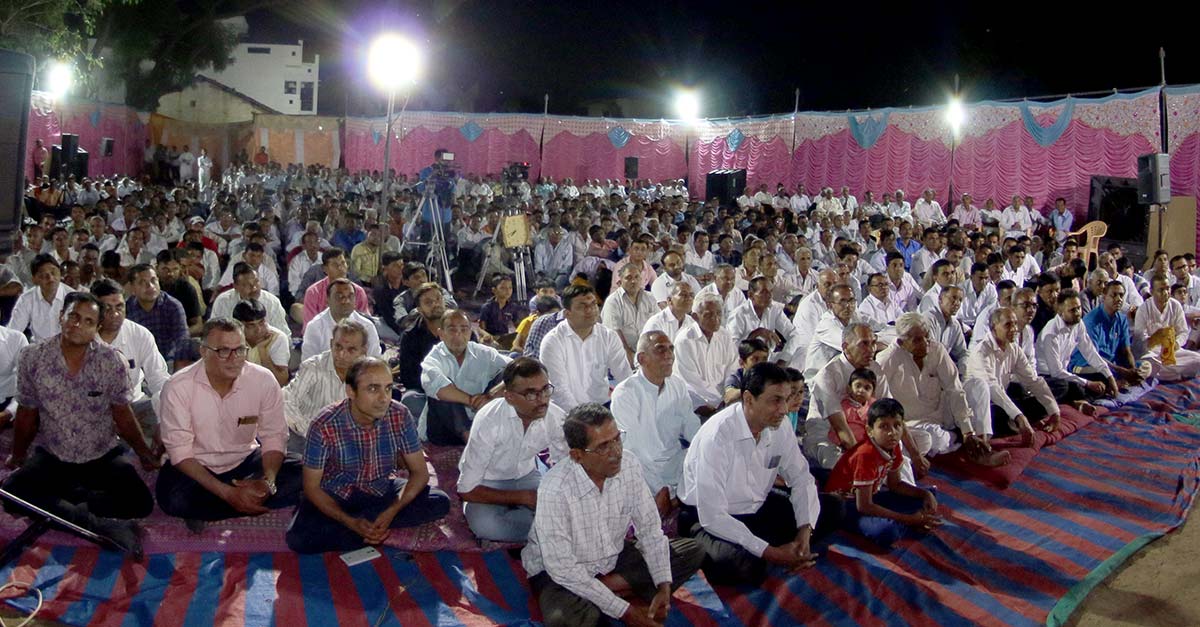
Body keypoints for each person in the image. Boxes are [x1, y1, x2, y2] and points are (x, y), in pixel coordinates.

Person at [2, 292, 160, 557]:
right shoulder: (32, 357)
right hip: (54, 454)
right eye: (73, 316)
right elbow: (27, 413)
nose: (78, 325)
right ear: (61, 317)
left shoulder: (111, 361)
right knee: (11, 494)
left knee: (140, 503)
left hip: (101, 453)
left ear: (97, 327)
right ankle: (92, 522)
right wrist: (18, 455)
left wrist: (143, 453)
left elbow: (122, 415)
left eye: (88, 321)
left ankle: (65, 504)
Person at [522, 403, 703, 627]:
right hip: (559, 574)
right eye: (603, 447)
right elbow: (562, 568)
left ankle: (599, 593)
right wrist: (627, 613)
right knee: (564, 621)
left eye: (617, 439)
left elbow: (649, 530)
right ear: (577, 455)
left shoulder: (629, 464)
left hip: (612, 556)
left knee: (692, 550)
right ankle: (609, 593)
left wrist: (664, 586)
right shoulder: (554, 489)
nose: (616, 452)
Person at [679, 362, 833, 586]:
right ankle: (770, 550)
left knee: (832, 508)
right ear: (749, 399)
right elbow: (712, 515)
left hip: (756, 508)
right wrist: (771, 553)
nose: (784, 409)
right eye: (775, 400)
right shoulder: (717, 436)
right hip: (707, 518)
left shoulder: (780, 425)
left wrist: (804, 534)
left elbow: (801, 477)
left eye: (786, 399)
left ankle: (788, 548)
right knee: (741, 566)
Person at [285, 356, 451, 553]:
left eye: (388, 388)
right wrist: (350, 521)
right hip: (336, 494)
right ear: (350, 391)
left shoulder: (399, 414)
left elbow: (420, 473)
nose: (384, 398)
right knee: (298, 538)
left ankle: (366, 528)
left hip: (380, 489)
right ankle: (365, 528)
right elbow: (312, 487)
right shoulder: (324, 424)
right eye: (373, 389)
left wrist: (391, 511)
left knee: (439, 501)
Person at [156, 318, 304, 530]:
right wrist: (228, 493)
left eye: (240, 350)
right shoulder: (178, 387)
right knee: (172, 498)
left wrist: (268, 482)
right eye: (224, 351)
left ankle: (213, 508)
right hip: (198, 467)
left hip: (245, 461)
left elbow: (274, 437)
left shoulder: (263, 380)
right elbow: (180, 453)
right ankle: (239, 501)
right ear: (204, 352)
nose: (234, 359)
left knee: (303, 473)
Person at [458, 357, 568, 542]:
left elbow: (567, 465)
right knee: (485, 525)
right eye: (531, 394)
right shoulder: (489, 420)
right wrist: (524, 498)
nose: (542, 400)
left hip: (527, 476)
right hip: (486, 482)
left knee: (566, 509)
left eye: (545, 390)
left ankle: (532, 526)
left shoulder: (555, 417)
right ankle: (539, 528)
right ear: (509, 397)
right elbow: (466, 489)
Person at [878, 313, 999, 463]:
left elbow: (954, 389)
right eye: (917, 340)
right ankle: (958, 440)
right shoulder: (887, 359)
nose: (925, 343)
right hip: (914, 425)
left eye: (926, 336)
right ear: (902, 342)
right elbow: (879, 403)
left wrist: (967, 430)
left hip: (942, 415)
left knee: (977, 385)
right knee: (932, 439)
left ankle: (981, 444)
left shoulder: (936, 350)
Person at [824, 398, 942, 549]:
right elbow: (864, 506)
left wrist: (925, 494)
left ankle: (907, 521)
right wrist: (908, 519)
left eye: (897, 425)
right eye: (884, 426)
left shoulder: (893, 446)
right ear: (870, 430)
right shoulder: (865, 455)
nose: (892, 433)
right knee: (887, 532)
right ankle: (906, 523)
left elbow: (895, 485)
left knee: (929, 495)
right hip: (845, 504)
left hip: (870, 496)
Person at [611, 331, 701, 517]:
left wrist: (707, 453)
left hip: (676, 464)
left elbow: (692, 428)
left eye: (671, 349)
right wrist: (660, 488)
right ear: (642, 358)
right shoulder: (625, 393)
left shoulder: (677, 385)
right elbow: (633, 450)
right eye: (660, 349)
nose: (669, 355)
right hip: (644, 473)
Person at [964, 308, 1061, 447]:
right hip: (981, 408)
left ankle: (1016, 422)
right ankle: (991, 436)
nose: (1014, 329)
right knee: (1003, 414)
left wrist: (1055, 412)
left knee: (1050, 390)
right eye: (1008, 325)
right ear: (993, 327)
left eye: (1015, 324)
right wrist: (1019, 417)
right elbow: (993, 389)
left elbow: (1032, 380)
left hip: (1001, 401)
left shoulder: (1014, 349)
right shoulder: (981, 352)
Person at [90, 278, 171, 443]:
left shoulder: (139, 334)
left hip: (135, 405)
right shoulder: (83, 337)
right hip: (93, 410)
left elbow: (159, 379)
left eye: (120, 307)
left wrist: (164, 419)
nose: (115, 314)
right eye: (107, 308)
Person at [420, 310, 511, 445]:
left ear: (470, 332)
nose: (458, 334)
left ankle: (486, 434)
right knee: (442, 391)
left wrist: (491, 395)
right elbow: (439, 388)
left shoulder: (482, 352)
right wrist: (472, 401)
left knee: (509, 375)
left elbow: (520, 368)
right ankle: (472, 441)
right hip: (444, 430)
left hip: (480, 420)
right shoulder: (433, 358)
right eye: (452, 330)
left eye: (464, 329)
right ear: (441, 334)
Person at [540, 284, 632, 408]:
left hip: (602, 406)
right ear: (567, 313)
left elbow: (625, 376)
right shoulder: (553, 342)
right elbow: (559, 390)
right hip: (566, 410)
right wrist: (580, 417)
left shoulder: (608, 336)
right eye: (582, 306)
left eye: (593, 304)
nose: (590, 310)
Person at [283, 320, 370, 452]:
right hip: (305, 435)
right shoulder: (313, 367)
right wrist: (311, 432)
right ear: (331, 344)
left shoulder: (369, 375)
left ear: (363, 351)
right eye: (338, 347)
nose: (342, 355)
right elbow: (287, 401)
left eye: (351, 350)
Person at [1036, 289, 1119, 407]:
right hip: (1048, 377)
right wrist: (1088, 383)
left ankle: (1080, 401)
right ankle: (1076, 402)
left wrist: (1110, 377)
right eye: (1072, 310)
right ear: (1060, 311)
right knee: (1065, 386)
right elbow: (1056, 372)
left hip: (1065, 374)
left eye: (1079, 308)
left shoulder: (1078, 324)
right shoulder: (1051, 333)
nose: (1077, 313)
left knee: (1102, 377)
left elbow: (1090, 352)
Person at [1069, 280, 1145, 386]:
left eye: (1121, 295)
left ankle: (1121, 380)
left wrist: (1132, 369)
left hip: (1111, 363)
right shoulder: (1091, 321)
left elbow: (1126, 350)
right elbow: (1094, 357)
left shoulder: (1122, 319)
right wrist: (1122, 371)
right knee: (1101, 373)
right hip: (1087, 363)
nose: (1118, 299)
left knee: (1144, 366)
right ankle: (1114, 383)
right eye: (1114, 295)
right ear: (1104, 297)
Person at [674, 292, 737, 414]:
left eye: (719, 313)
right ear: (695, 317)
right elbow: (692, 381)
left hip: (724, 399)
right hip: (696, 400)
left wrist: (729, 392)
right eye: (709, 315)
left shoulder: (724, 335)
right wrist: (720, 401)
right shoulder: (685, 341)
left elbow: (732, 367)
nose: (716, 319)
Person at [1134, 273, 1200, 381]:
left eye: (1167, 288)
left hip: (1173, 351)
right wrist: (1156, 339)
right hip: (1152, 354)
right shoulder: (1143, 309)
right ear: (1152, 292)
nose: (1166, 293)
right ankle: (1175, 373)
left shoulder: (1175, 305)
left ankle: (1170, 373)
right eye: (1161, 290)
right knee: (1150, 364)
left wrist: (1176, 344)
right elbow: (1139, 340)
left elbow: (1183, 332)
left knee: (1197, 359)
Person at [302, 278, 382, 362]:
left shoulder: (367, 326)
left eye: (350, 296)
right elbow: (308, 363)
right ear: (328, 300)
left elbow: (375, 361)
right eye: (339, 296)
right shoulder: (315, 327)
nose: (346, 301)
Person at [210, 263, 290, 337]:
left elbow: (283, 334)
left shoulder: (272, 302)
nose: (254, 288)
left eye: (256, 282)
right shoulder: (222, 302)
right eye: (247, 285)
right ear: (235, 286)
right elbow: (214, 332)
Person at [602, 262, 660, 361]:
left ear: (641, 279)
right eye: (628, 278)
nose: (633, 281)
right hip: (621, 354)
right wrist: (631, 358)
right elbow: (615, 334)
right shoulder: (613, 302)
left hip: (648, 352)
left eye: (637, 277)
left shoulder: (650, 298)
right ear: (620, 282)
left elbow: (658, 325)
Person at [8, 254, 73, 341]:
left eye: (53, 272)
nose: (50, 278)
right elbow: (13, 333)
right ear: (34, 280)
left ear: (60, 273)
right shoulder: (26, 299)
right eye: (43, 275)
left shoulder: (73, 297)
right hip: (39, 347)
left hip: (68, 346)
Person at [301, 249, 372, 328]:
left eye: (343, 263)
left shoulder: (358, 291)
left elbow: (365, 323)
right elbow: (310, 326)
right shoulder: (313, 292)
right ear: (325, 269)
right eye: (335, 265)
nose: (340, 268)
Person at [233, 299, 290, 386]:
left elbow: (281, 381)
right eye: (251, 326)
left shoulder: (278, 338)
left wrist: (263, 351)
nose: (258, 330)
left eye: (261, 323)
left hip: (268, 389)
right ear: (238, 325)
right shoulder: (230, 337)